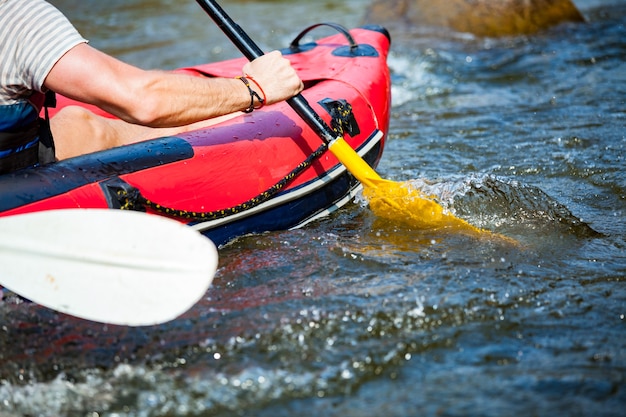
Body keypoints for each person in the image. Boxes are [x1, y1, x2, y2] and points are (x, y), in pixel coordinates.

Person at [0, 0, 303, 173]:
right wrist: (254, 88)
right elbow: (143, 101)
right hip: (17, 194)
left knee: (76, 121)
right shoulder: (16, 15)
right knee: (87, 128)